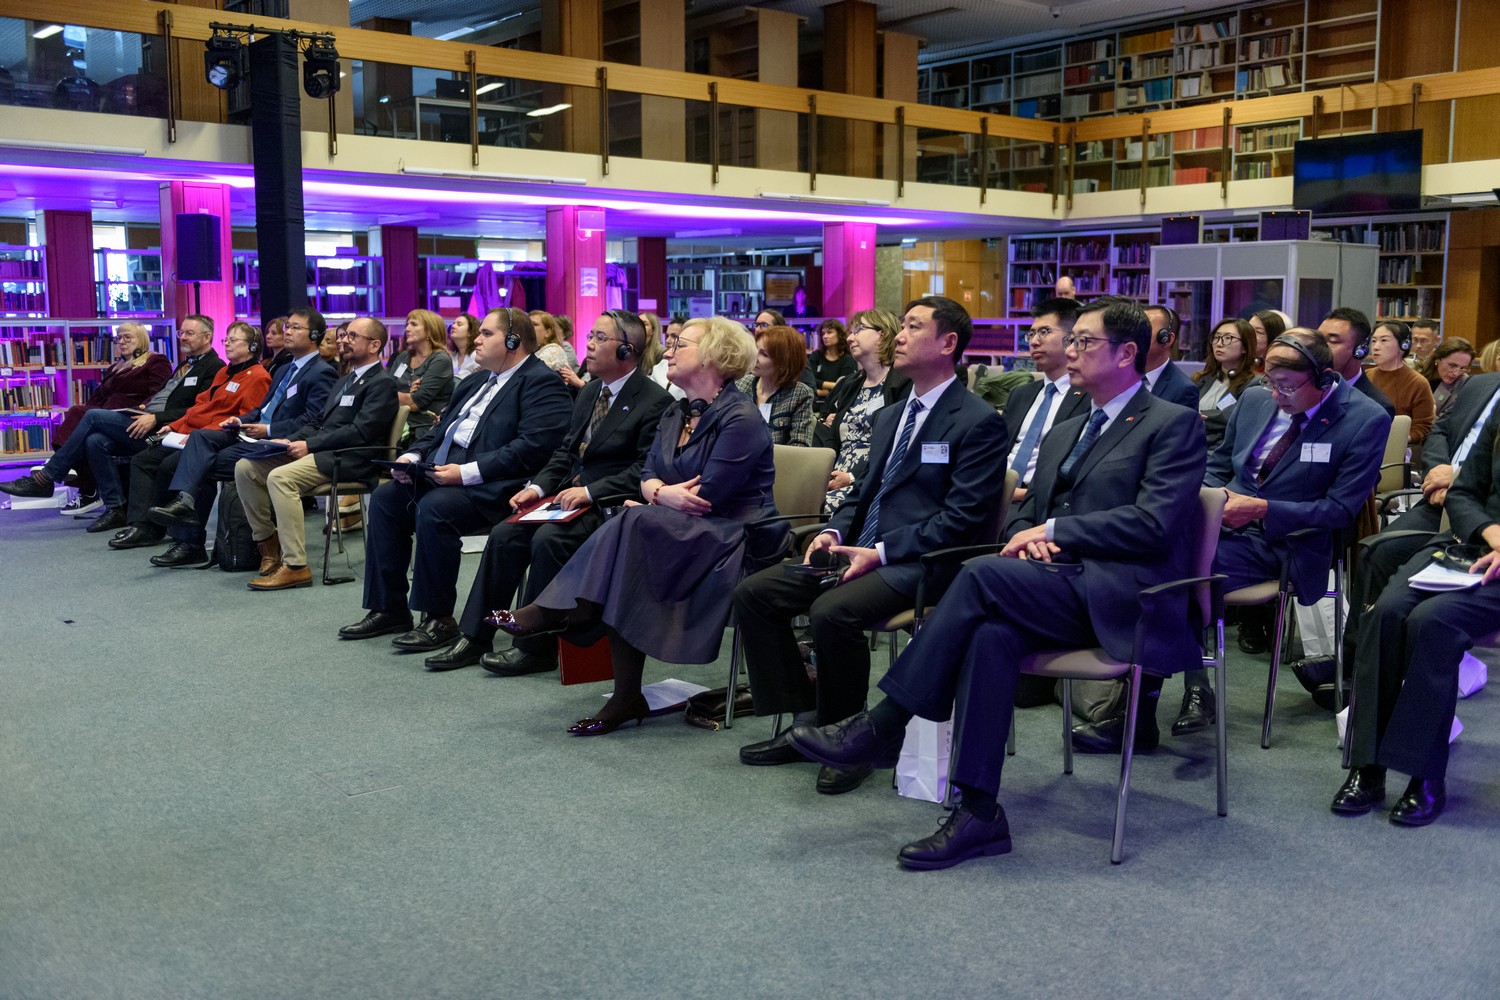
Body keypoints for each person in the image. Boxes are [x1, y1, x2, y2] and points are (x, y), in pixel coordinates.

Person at [783, 297, 1206, 870]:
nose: (1070, 350)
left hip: (1124, 596)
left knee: (979, 573)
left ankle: (884, 724)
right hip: (1051, 587)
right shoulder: (1068, 430)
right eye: (1071, 340)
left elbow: (1155, 525)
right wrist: (1029, 534)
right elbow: (1023, 515)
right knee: (989, 635)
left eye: (1084, 341)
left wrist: (1056, 531)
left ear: (1127, 353)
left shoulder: (1172, 423)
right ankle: (979, 812)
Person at [731, 296, 1009, 796]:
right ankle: (806, 720)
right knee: (755, 593)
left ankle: (846, 737)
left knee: (832, 612)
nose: (898, 336)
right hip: (860, 549)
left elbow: (962, 520)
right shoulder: (892, 415)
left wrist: (881, 552)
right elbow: (862, 492)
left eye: (913, 327)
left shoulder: (978, 420)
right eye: (901, 326)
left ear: (948, 343)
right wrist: (835, 532)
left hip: (922, 562)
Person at [491, 316, 779, 737]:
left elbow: (708, 496)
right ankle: (620, 687)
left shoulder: (741, 417)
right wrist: (660, 493)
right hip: (678, 529)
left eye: (680, 345)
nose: (668, 352)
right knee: (630, 541)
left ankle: (565, 613)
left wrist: (655, 496)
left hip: (732, 538)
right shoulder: (677, 410)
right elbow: (647, 473)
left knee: (633, 522)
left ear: (713, 357)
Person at [1135, 331, 1388, 745]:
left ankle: (1162, 698)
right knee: (1150, 557)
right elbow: (1219, 465)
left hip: (1285, 541)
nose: (1275, 395)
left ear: (1324, 379)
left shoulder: (1365, 418)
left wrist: (1263, 509)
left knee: (1176, 572)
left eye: (1286, 387)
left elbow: (1340, 510)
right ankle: (1178, 693)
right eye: (1270, 382)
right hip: (1220, 522)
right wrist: (1205, 498)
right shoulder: (1255, 399)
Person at [425, 309, 673, 673]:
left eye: (600, 338)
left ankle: (534, 647)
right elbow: (565, 453)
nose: (590, 344)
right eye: (591, 335)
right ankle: (475, 635)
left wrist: (590, 492)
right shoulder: (590, 391)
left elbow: (643, 469)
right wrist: (537, 486)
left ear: (627, 350)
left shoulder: (655, 401)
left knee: (548, 540)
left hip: (610, 503)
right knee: (506, 533)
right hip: (566, 497)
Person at [339, 308, 571, 647]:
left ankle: (438, 618)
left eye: (487, 334)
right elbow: (440, 429)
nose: (477, 339)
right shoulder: (476, 380)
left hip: (498, 486)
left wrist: (465, 474)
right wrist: (412, 457)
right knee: (386, 499)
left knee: (435, 507)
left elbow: (532, 448)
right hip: (444, 474)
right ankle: (389, 608)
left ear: (513, 341)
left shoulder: (541, 382)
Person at [1332, 407, 1500, 828]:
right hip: (1471, 544)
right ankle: (1368, 767)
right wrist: (1490, 532)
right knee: (1385, 612)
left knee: (1432, 622)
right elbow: (1463, 492)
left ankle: (1425, 776)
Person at [144, 308, 337, 568]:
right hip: (251, 434)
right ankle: (186, 513)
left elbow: (312, 421)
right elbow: (261, 410)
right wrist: (240, 420)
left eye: (295, 328)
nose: (287, 332)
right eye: (287, 327)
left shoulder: (321, 372)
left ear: (314, 335)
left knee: (199, 464)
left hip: (280, 443)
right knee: (200, 440)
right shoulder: (284, 369)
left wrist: (268, 430)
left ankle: (190, 537)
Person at [0, 315, 222, 535]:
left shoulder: (213, 367)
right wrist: (145, 410)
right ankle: (115, 508)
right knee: (94, 440)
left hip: (165, 428)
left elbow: (200, 408)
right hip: (142, 417)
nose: (183, 337)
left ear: (207, 337)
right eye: (181, 333)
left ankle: (47, 477)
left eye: (189, 333)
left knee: (91, 417)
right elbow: (160, 396)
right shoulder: (185, 365)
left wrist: (156, 418)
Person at [232, 316, 398, 591]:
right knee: (245, 469)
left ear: (374, 345)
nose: (344, 340)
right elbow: (318, 422)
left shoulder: (382, 383)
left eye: (353, 336)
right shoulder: (345, 381)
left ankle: (296, 566)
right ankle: (268, 543)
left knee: (280, 478)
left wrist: (310, 445)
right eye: (344, 335)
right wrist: (289, 439)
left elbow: (360, 432)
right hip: (323, 451)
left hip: (350, 458)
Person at [108, 322, 272, 554]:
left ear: (252, 346)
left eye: (233, 340)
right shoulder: (225, 372)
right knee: (143, 460)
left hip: (214, 437)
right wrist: (174, 426)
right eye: (226, 339)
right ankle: (143, 526)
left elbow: (242, 420)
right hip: (191, 432)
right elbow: (199, 406)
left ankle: (172, 533)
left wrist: (197, 434)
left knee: (168, 465)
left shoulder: (258, 376)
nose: (226, 344)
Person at [52, 322, 171, 516]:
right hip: (107, 416)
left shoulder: (155, 361)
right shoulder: (115, 367)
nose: (121, 342)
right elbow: (98, 398)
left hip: (135, 419)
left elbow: (161, 392)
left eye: (127, 337)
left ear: (141, 338)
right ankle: (101, 498)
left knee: (82, 413)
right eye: (118, 338)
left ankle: (55, 469)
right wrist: (84, 412)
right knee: (89, 433)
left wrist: (145, 406)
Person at [820, 308, 910, 515]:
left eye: (858, 330)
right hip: (834, 476)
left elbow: (898, 444)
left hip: (871, 481)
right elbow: (829, 431)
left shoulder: (902, 382)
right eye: (850, 332)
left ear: (882, 334)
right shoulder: (851, 384)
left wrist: (852, 477)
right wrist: (824, 473)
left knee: (820, 507)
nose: (850, 338)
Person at [1001, 297, 1088, 506]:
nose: (1033, 341)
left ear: (1071, 339)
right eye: (1031, 333)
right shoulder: (1021, 394)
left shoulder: (1089, 397)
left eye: (1044, 332)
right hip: (996, 493)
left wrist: (1021, 495)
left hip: (1041, 501)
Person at [736, 324, 816, 447]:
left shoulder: (800, 394)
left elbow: (800, 446)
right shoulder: (741, 383)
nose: (755, 357)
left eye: (764, 354)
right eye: (755, 349)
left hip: (778, 459)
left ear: (784, 362)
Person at [1191, 318, 1259, 454]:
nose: (1219, 343)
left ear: (1245, 347)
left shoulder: (1253, 384)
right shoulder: (1200, 379)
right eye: (1216, 337)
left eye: (1228, 338)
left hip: (1221, 452)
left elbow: (1230, 418)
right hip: (1191, 445)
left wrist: (1193, 417)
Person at [1363, 320, 1435, 445]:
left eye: (1384, 340)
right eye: (1374, 341)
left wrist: (1397, 440)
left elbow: (1423, 428)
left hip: (1396, 446)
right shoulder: (1366, 375)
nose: (1375, 347)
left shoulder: (1418, 383)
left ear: (1404, 345)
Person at [388, 309, 455, 439]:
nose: (407, 329)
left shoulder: (440, 359)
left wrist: (389, 395)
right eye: (407, 324)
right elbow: (386, 388)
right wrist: (405, 395)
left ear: (430, 331)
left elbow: (415, 403)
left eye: (413, 324)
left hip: (423, 428)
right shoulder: (403, 357)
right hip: (396, 421)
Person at [1318, 307, 1396, 418]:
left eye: (1333, 341)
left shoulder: (1376, 407)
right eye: (1318, 340)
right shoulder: (1304, 387)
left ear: (1360, 350)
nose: (1319, 347)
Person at [1140, 304, 1198, 410]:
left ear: (1167, 339)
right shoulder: (1123, 376)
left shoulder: (1183, 389)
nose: (1135, 335)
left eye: (1145, 329)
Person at [1421, 337, 1475, 421]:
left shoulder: (1463, 385)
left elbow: (1445, 422)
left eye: (1463, 368)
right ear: (1438, 359)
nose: (1456, 373)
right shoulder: (1417, 372)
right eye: (1452, 365)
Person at [807, 319, 856, 409]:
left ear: (839, 334)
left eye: (829, 332)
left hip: (836, 406)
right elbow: (809, 380)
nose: (825, 336)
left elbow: (845, 386)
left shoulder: (848, 359)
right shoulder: (816, 356)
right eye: (823, 333)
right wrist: (833, 386)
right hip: (814, 404)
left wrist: (820, 391)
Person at [528, 310, 577, 376]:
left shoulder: (554, 350)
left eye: (534, 324)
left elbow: (531, 374)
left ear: (548, 332)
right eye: (527, 324)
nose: (528, 327)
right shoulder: (532, 350)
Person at [1248, 308, 1290, 373]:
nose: (1249, 334)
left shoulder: (1278, 371)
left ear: (1274, 337)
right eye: (1249, 329)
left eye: (1259, 332)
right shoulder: (1239, 362)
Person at [448, 313, 481, 379]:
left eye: (459, 324)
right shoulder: (452, 356)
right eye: (453, 324)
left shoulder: (476, 356)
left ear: (470, 332)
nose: (453, 326)